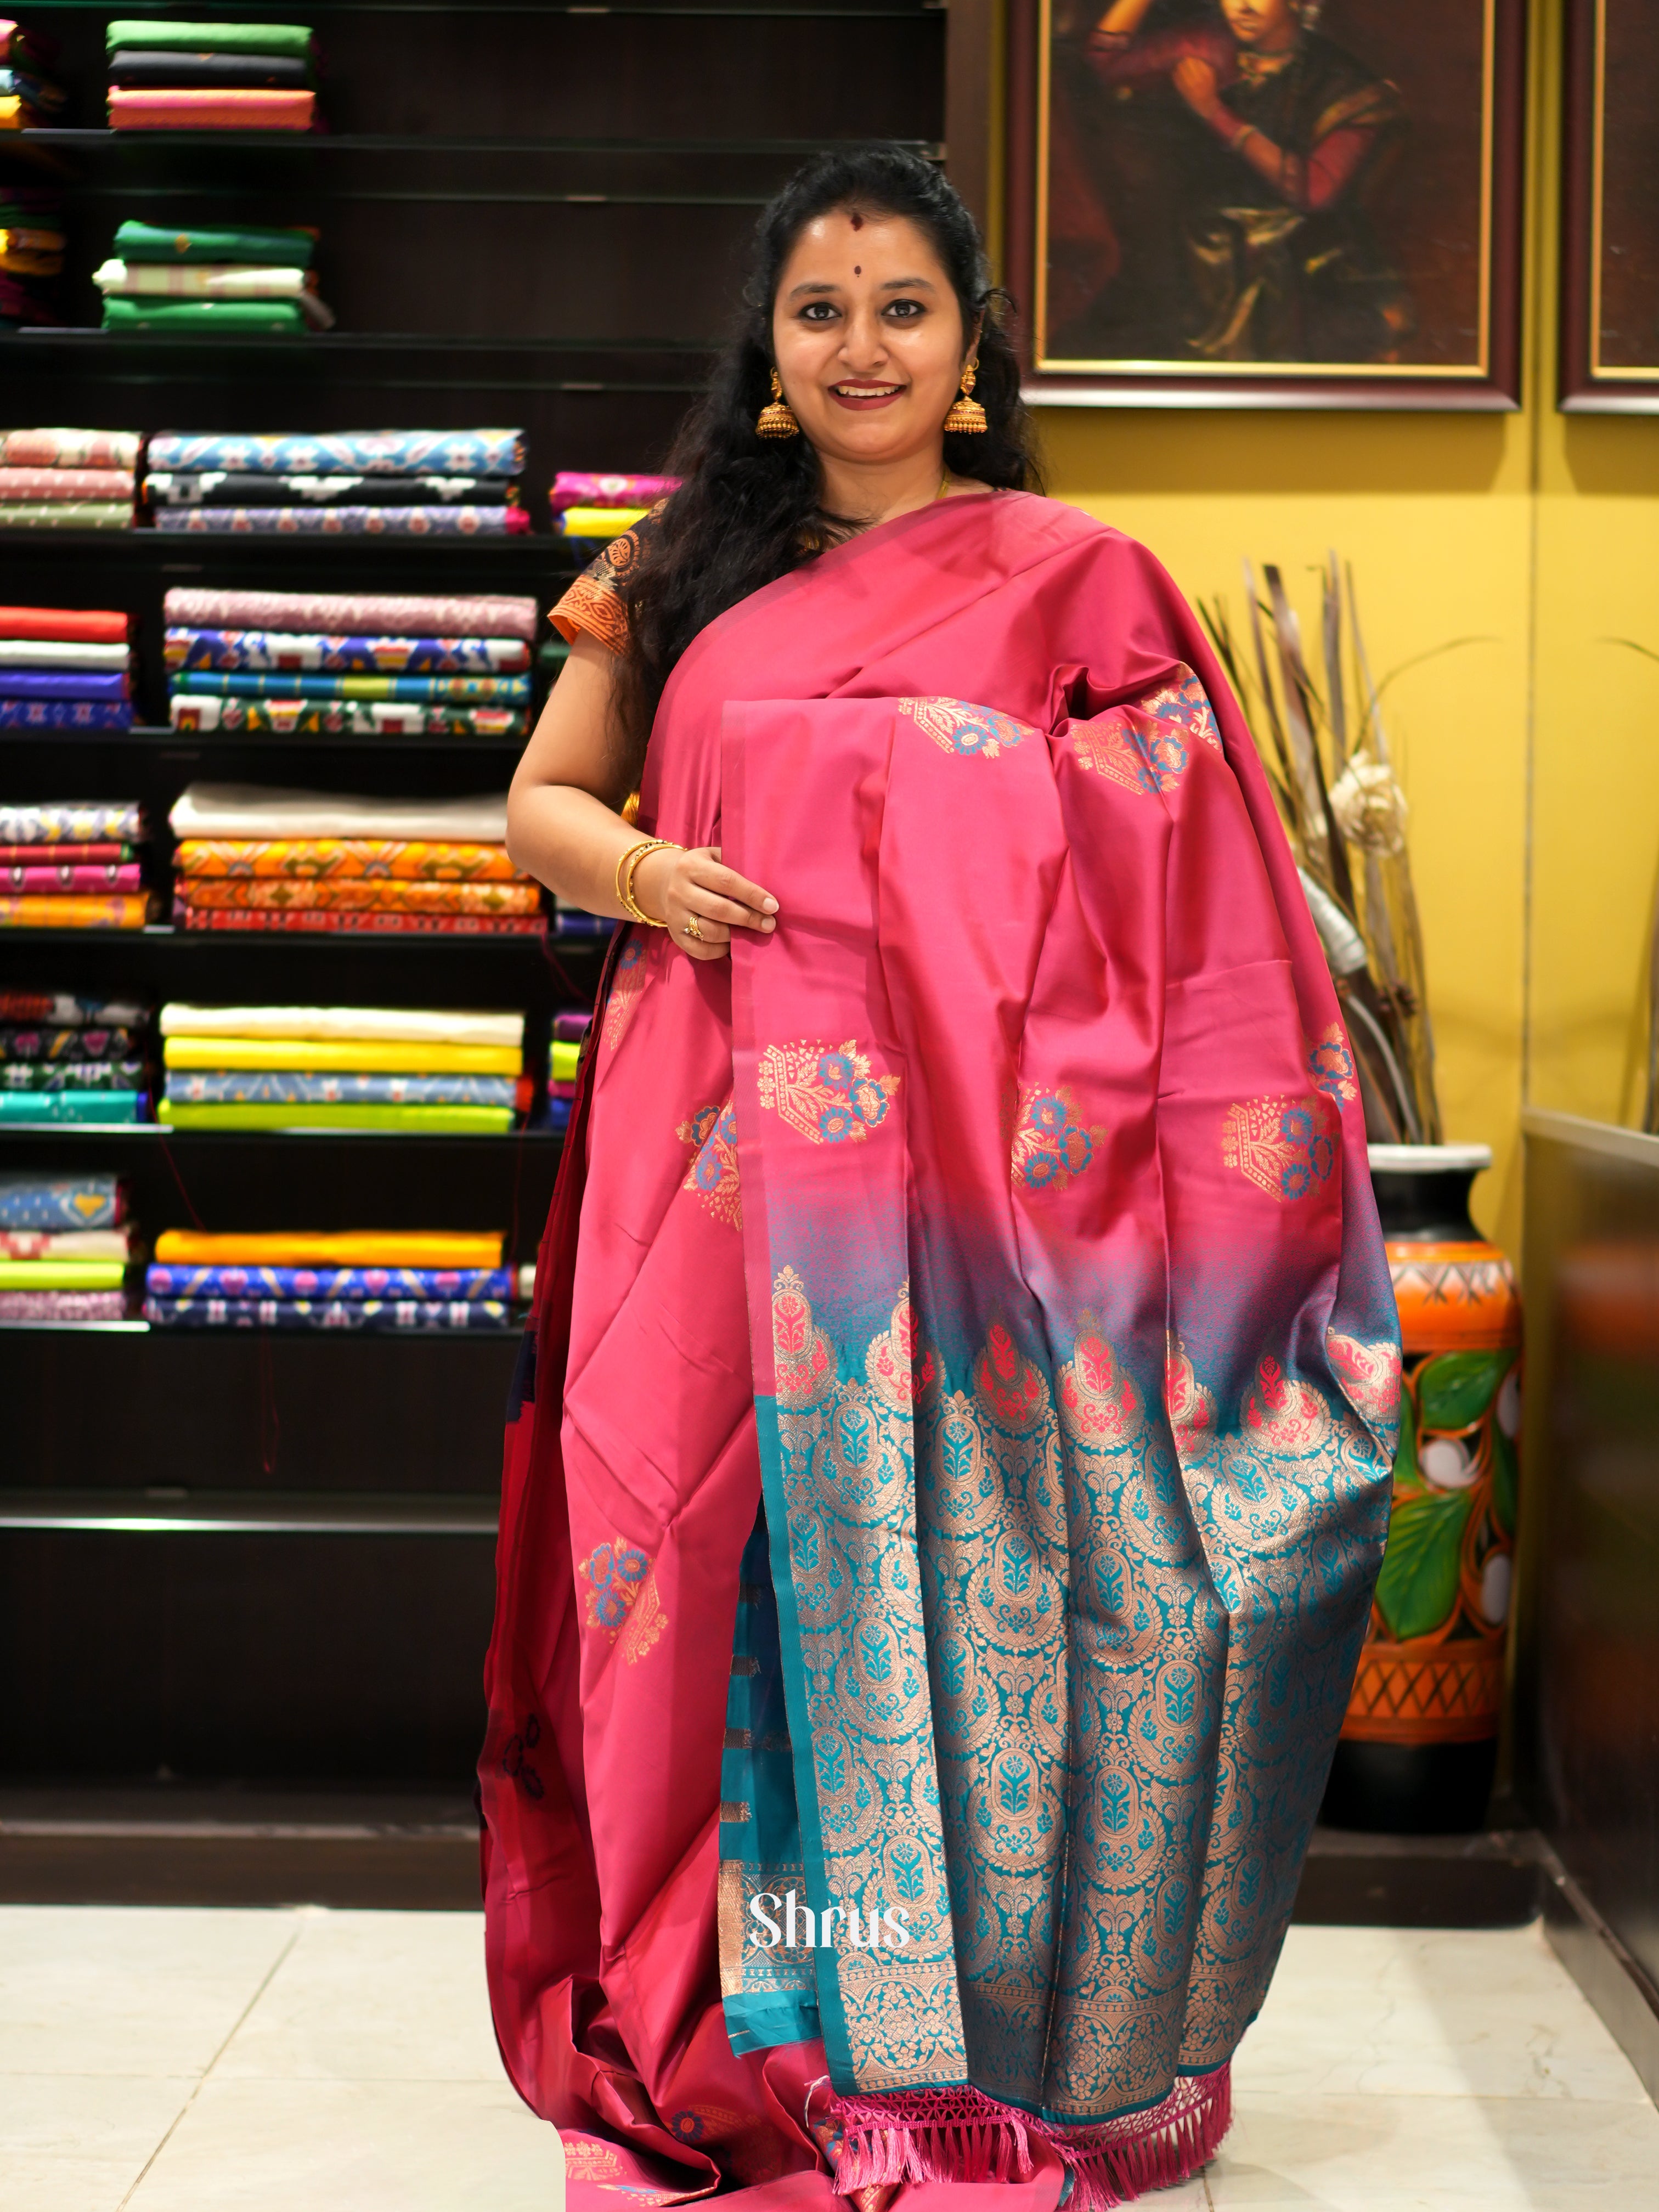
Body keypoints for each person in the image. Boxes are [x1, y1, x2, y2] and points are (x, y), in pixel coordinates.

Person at [482, 143, 1400, 2211]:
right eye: (819, 310)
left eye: (901, 305)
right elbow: (538, 797)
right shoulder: (676, 565)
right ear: (769, 349)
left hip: (998, 1201)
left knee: (1001, 1572)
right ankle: (740, 2014)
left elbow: (1194, 895)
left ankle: (959, 2035)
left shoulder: (1081, 586)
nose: (860, 346)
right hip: (711, 1152)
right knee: (693, 1565)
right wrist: (647, 870)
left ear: (969, 347)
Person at [1048, 0, 1410, 363]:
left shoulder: (1346, 84)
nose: (1243, 7)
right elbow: (1102, 60)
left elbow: (1313, 191)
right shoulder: (1208, 45)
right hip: (1202, 252)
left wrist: (1214, 113)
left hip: (1306, 260)